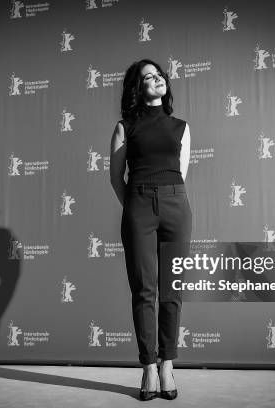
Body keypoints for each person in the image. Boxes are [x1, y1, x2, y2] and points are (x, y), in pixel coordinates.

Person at [110, 59, 192, 401]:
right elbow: (116, 177)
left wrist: (164, 198)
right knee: (144, 290)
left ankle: (167, 365)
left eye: (159, 74)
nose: (156, 78)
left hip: (177, 205)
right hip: (139, 204)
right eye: (147, 76)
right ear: (137, 88)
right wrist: (135, 206)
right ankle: (147, 367)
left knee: (171, 290)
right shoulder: (125, 126)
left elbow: (182, 173)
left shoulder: (181, 127)